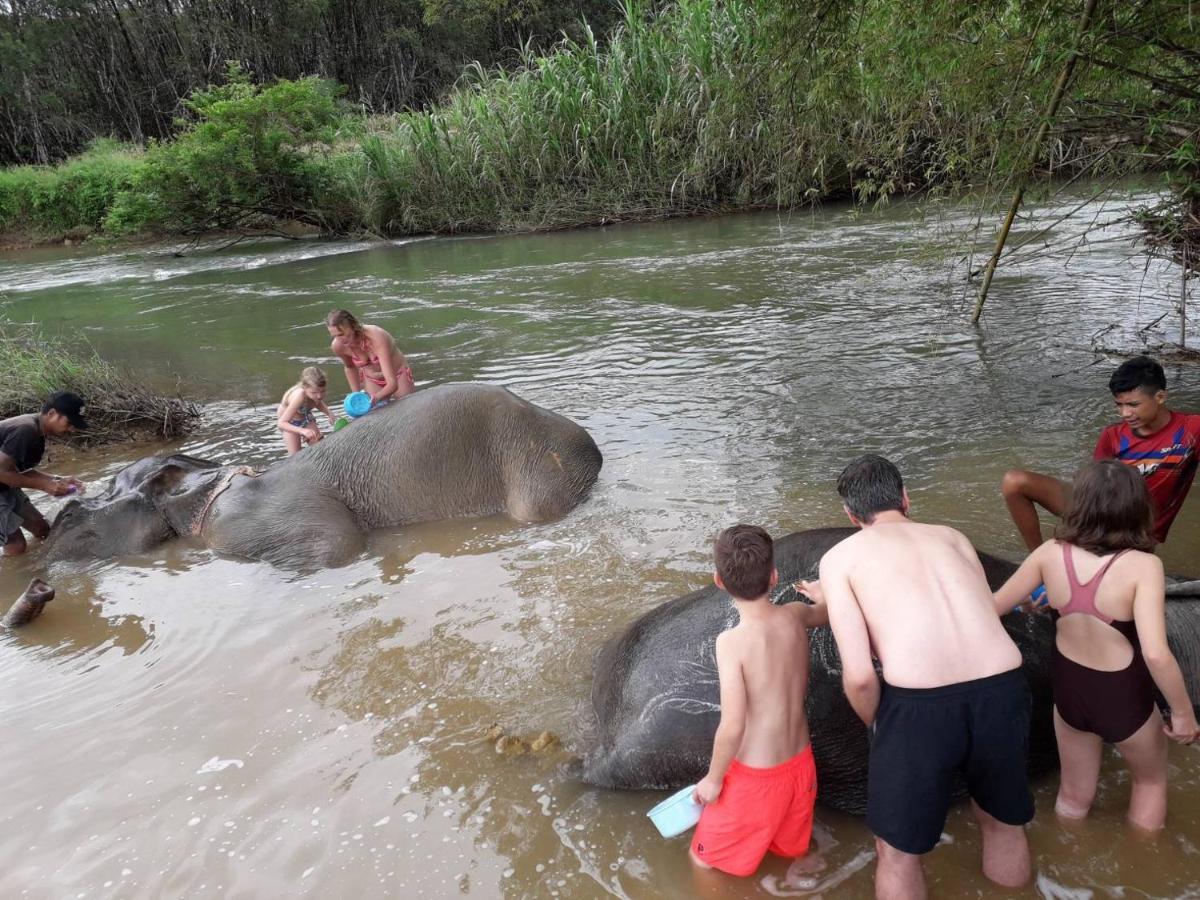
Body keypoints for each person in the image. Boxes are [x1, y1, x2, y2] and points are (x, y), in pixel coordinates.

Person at [807, 454, 1033, 898]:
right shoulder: (952, 537)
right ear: (906, 498)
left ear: (851, 515)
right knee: (1003, 824)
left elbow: (859, 678)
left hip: (920, 706)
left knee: (897, 851)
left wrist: (880, 724)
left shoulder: (840, 559)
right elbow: (981, 612)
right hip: (1004, 690)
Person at [993, 460, 1200, 831]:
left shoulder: (1049, 553)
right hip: (1124, 698)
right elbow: (1155, 652)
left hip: (1070, 695)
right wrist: (1183, 714)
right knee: (1150, 783)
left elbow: (991, 607)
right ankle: (1144, 867)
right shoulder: (1141, 566)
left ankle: (1069, 868)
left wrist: (1032, 602)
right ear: (1137, 508)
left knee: (1073, 798)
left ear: (1079, 504)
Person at [689, 524, 828, 878]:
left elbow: (733, 726)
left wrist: (714, 780)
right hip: (801, 768)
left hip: (757, 779)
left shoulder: (731, 643)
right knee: (791, 851)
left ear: (718, 580)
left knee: (703, 860)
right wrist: (821, 593)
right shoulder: (796, 615)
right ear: (774, 576)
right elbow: (825, 612)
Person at [1002, 356, 1200, 551]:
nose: (1125, 414)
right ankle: (1036, 558)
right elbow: (1095, 484)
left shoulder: (1191, 430)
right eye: (1119, 405)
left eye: (1133, 405)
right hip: (1100, 509)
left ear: (1160, 397)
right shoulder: (1113, 435)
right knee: (1014, 481)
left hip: (1135, 527)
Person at [0, 391, 88, 557]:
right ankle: (14, 581)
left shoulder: (37, 432)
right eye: (69, 422)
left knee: (42, 529)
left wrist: (56, 479)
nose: (72, 429)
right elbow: (1, 471)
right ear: (52, 414)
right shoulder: (25, 429)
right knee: (16, 544)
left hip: (4, 485)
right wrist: (44, 485)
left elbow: (18, 471)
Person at [326, 309, 416, 405]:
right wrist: (356, 395)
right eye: (335, 336)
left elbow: (392, 384)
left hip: (397, 374)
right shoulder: (337, 346)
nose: (339, 340)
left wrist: (376, 398)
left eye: (341, 334)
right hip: (372, 380)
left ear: (353, 326)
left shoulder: (376, 336)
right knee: (375, 411)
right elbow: (350, 367)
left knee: (407, 405)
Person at [277, 366, 335, 455]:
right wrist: (302, 431)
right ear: (305, 388)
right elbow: (281, 423)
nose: (319, 396)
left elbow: (318, 403)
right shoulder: (299, 396)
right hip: (290, 423)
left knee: (320, 449)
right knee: (295, 457)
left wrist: (329, 413)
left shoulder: (315, 395)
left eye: (322, 391)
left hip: (306, 418)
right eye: (314, 392)